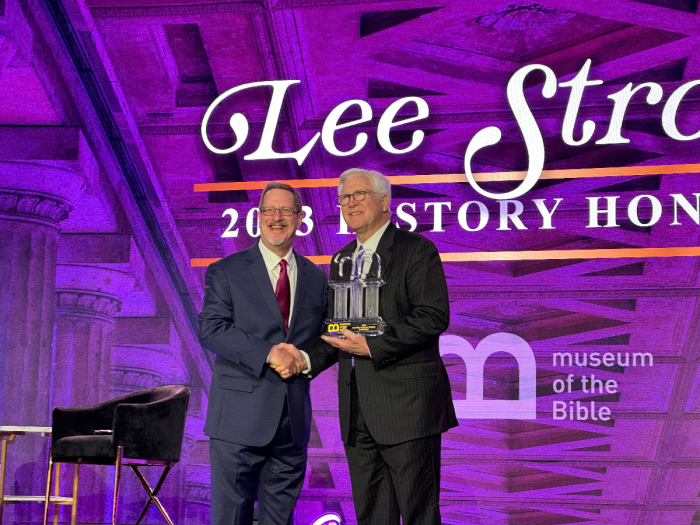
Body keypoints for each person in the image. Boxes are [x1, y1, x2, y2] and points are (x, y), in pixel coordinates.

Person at [296, 168, 458, 525]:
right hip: (357, 412)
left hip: (408, 410)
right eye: (344, 198)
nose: (350, 203)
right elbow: (334, 331)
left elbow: (433, 316)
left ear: (385, 201)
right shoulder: (342, 260)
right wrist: (303, 358)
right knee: (373, 517)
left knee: (419, 515)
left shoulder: (416, 250)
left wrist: (373, 347)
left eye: (359, 194)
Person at [198, 182, 327, 525]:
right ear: (258, 218)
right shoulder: (227, 270)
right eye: (269, 210)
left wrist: (304, 359)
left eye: (286, 210)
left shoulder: (316, 277)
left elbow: (327, 338)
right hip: (238, 421)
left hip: (292, 425)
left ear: (300, 219)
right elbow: (211, 330)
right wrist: (270, 353)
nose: (276, 217)